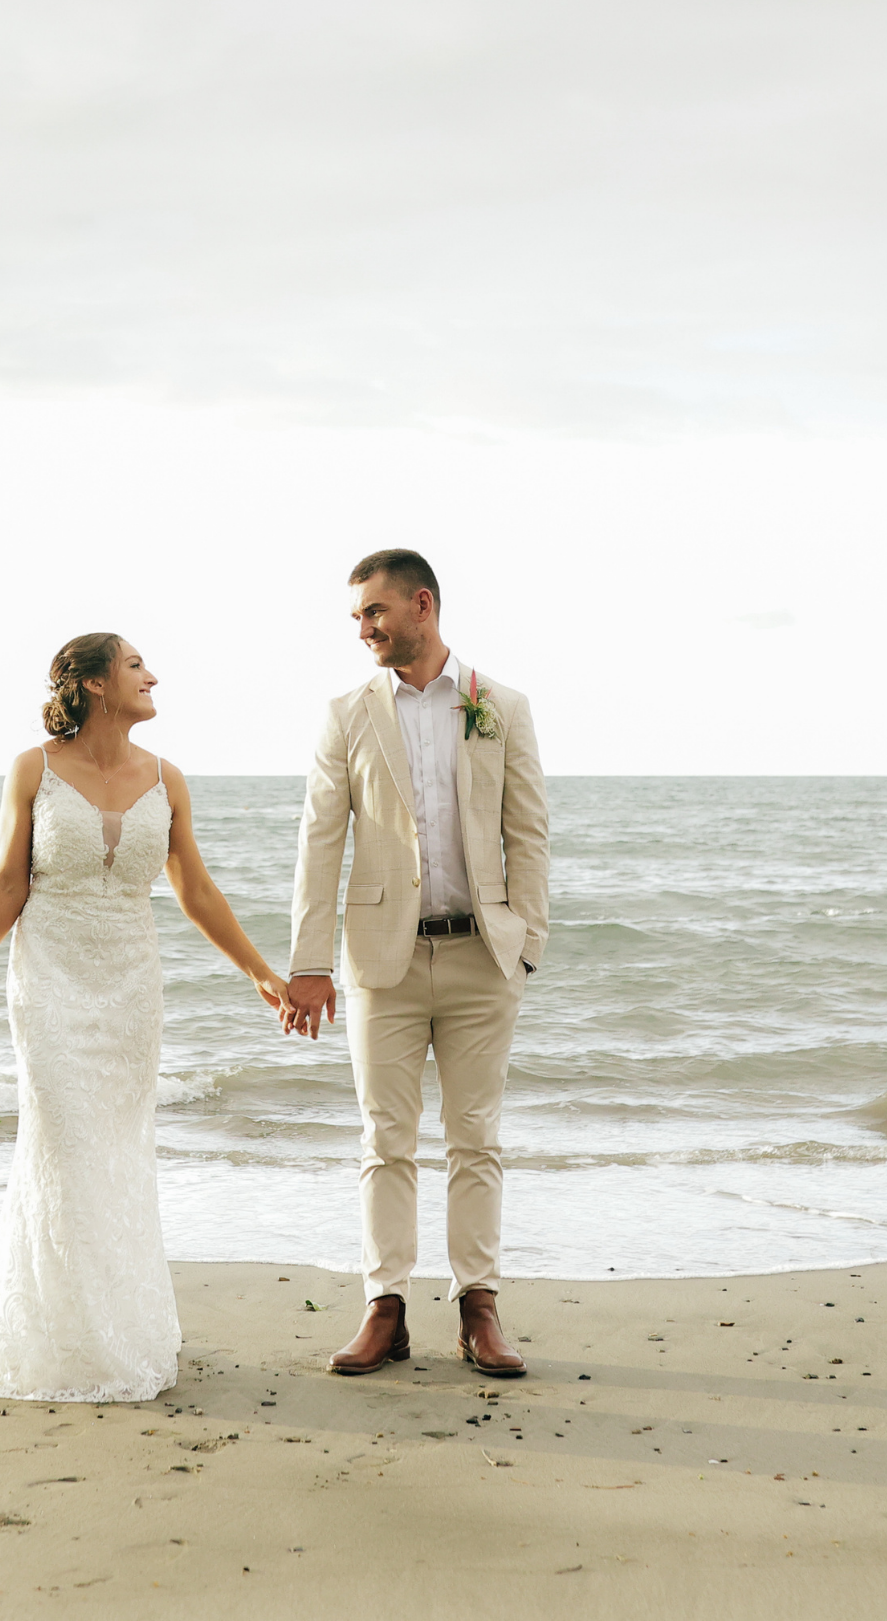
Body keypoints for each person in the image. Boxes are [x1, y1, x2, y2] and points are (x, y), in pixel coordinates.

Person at [0, 633, 290, 1402]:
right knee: (64, 1148)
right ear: (96, 684)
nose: (151, 675)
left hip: (131, 991)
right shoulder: (32, 769)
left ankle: (122, 1331)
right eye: (136, 666)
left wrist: (261, 971)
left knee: (118, 1155)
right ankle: (63, 1338)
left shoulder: (167, 779)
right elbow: (8, 883)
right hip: (50, 986)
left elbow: (196, 889)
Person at [281, 550, 550, 1378]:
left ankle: (479, 1307)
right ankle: (385, 1307)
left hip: (482, 957)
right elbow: (320, 841)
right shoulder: (347, 714)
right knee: (385, 1137)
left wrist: (527, 943)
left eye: (375, 611)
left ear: (421, 605)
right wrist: (309, 962)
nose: (364, 628)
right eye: (358, 616)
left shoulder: (500, 706)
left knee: (476, 1136)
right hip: (380, 962)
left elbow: (528, 831)